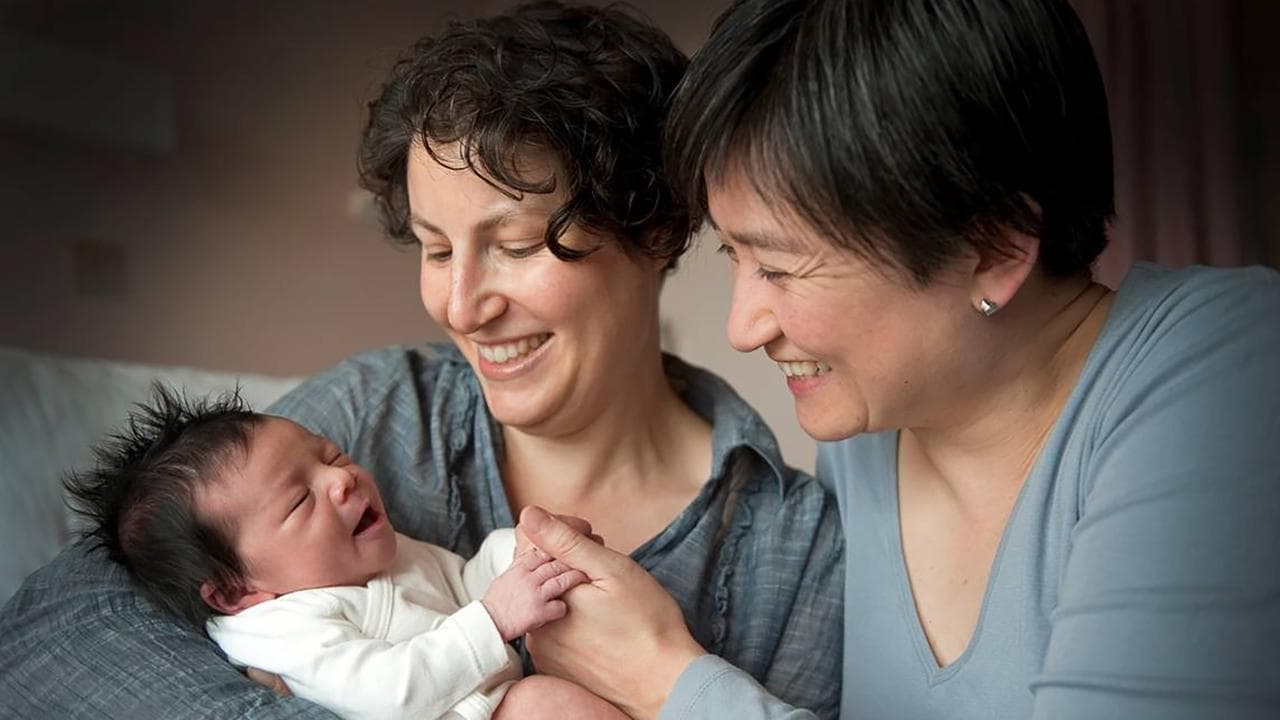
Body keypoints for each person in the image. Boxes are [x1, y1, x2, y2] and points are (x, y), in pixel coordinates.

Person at [0, 3, 844, 718]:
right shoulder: (379, 408)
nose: (463, 306)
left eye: (514, 245)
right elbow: (47, 639)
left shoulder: (791, 549)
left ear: (655, 232)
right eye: (437, 251)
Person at [513, 0, 1280, 718]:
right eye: (734, 256)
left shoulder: (1228, 372)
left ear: (995, 245)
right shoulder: (868, 443)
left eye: (781, 267)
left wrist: (665, 679)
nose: (744, 325)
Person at [62, 385, 622, 720]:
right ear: (237, 591)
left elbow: (462, 587)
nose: (342, 481)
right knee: (546, 704)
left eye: (331, 455)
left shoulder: (377, 555)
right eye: (300, 501)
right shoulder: (284, 628)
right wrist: (497, 617)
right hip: (469, 710)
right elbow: (388, 694)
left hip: (496, 692)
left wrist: (522, 556)